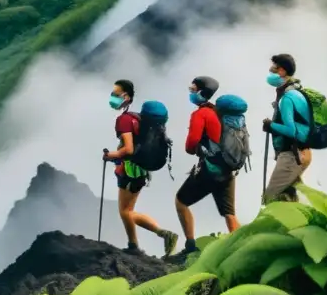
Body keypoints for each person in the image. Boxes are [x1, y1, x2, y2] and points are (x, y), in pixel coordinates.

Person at [102, 80, 179, 257]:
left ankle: (152, 238)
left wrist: (110, 155)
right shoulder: (137, 119)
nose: (112, 97)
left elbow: (128, 149)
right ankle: (136, 243)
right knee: (127, 211)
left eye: (116, 94)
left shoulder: (124, 120)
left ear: (127, 97)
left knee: (125, 211)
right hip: (141, 170)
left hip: (130, 170)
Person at [174, 75, 240, 255]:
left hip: (210, 172)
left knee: (181, 202)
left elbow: (191, 144)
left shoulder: (200, 114)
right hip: (228, 170)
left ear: (203, 93)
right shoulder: (220, 112)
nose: (191, 93)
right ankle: (242, 247)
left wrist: (194, 149)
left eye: (193, 90)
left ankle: (190, 246)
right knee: (229, 213)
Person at [261, 54, 312, 202]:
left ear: (282, 71)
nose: (270, 72)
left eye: (274, 69)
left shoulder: (289, 96)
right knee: (290, 197)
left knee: (270, 198)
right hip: (300, 152)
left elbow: (291, 131)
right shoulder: (295, 89)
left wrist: (271, 126)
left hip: (293, 154)